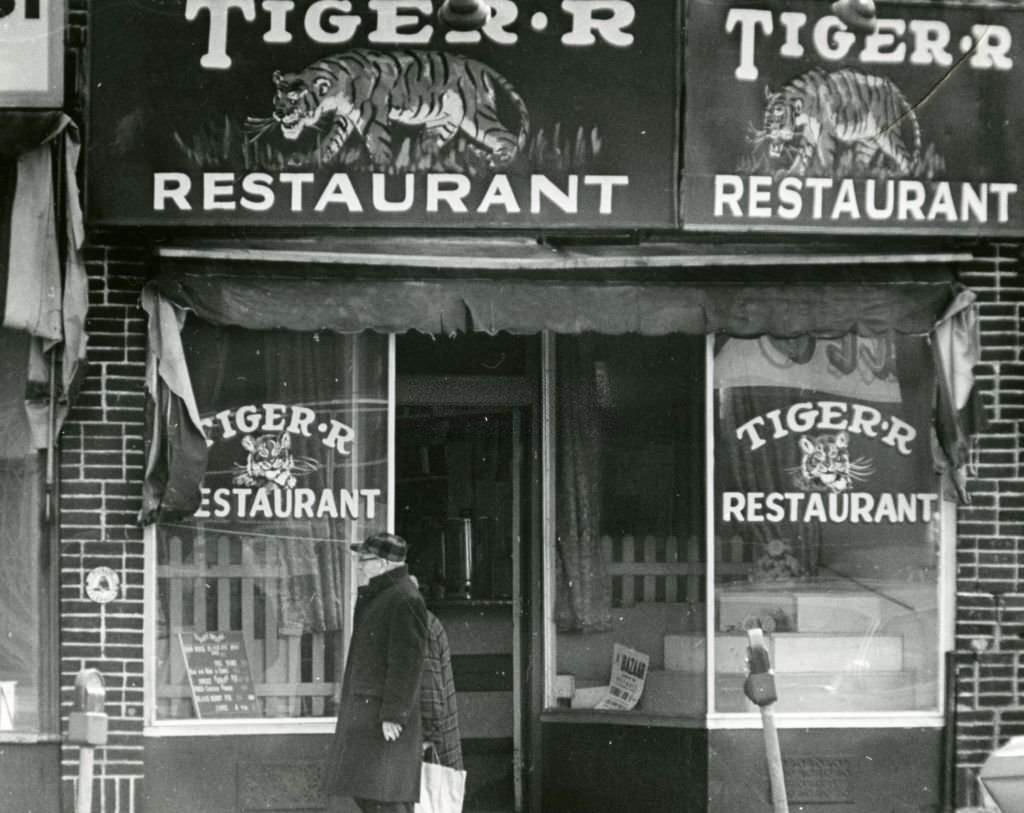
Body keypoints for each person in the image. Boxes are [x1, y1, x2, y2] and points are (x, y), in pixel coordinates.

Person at [323, 532, 429, 813]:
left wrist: (394, 714)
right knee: (372, 792)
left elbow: (406, 663)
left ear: (383, 564)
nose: (359, 565)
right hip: (370, 712)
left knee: (385, 794)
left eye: (364, 560)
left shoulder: (404, 598)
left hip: (382, 717)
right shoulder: (385, 596)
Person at [420, 609, 463, 771]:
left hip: (430, 739)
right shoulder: (427, 623)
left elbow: (430, 688)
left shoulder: (421, 624)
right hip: (437, 732)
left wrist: (428, 736)